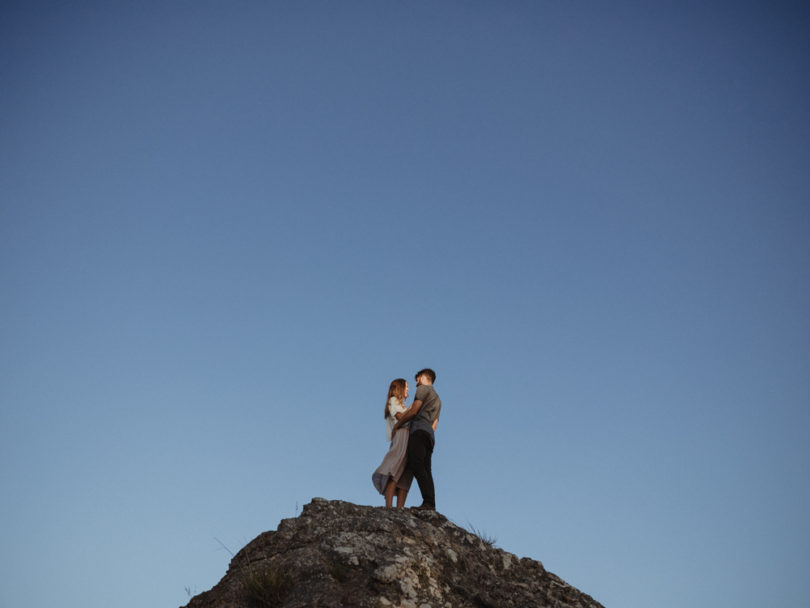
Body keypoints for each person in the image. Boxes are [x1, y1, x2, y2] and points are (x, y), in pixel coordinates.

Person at [392, 368, 441, 511]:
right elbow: (435, 425)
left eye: (417, 380)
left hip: (419, 431)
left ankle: (428, 502)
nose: (416, 384)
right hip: (429, 436)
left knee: (415, 463)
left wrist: (398, 424)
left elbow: (414, 411)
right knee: (426, 469)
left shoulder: (422, 390)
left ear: (421, 378)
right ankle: (430, 503)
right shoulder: (438, 400)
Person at [371, 378, 414, 508]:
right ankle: (389, 506)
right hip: (401, 435)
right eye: (406, 387)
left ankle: (399, 508)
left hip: (407, 434)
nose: (408, 390)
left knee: (406, 472)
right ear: (399, 388)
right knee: (395, 469)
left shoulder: (402, 404)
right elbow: (400, 417)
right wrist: (413, 409)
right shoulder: (393, 401)